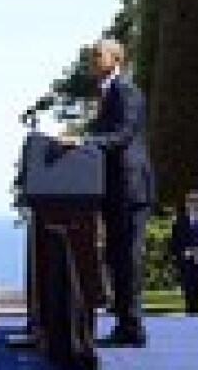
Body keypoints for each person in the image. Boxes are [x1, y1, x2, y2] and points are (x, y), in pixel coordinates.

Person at [59, 38, 155, 347]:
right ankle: (125, 324)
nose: (92, 60)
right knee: (116, 258)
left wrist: (85, 142)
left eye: (97, 55)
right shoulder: (107, 93)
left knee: (128, 259)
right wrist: (80, 138)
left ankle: (134, 327)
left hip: (130, 188)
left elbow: (123, 135)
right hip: (113, 189)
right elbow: (104, 133)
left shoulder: (126, 90)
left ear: (116, 59)